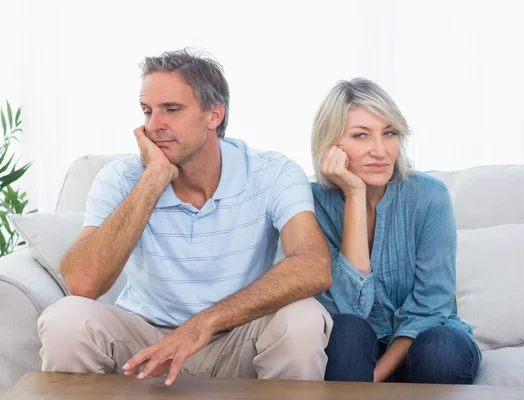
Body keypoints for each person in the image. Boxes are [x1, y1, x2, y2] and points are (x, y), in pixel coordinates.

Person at [37, 49, 333, 386]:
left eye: (172, 110)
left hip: (236, 339)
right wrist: (153, 180)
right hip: (145, 343)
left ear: (214, 115)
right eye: (147, 111)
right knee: (66, 319)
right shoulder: (120, 178)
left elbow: (314, 265)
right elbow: (81, 284)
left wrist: (202, 325)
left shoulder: (272, 173)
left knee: (304, 317)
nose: (154, 126)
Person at [310, 78, 481, 383]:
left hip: (425, 341)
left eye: (389, 133)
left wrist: (375, 380)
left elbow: (432, 306)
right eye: (361, 135)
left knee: (442, 349)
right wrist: (354, 195)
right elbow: (349, 309)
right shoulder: (312, 204)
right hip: (353, 349)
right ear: (329, 144)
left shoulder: (430, 197)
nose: (380, 150)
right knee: (347, 331)